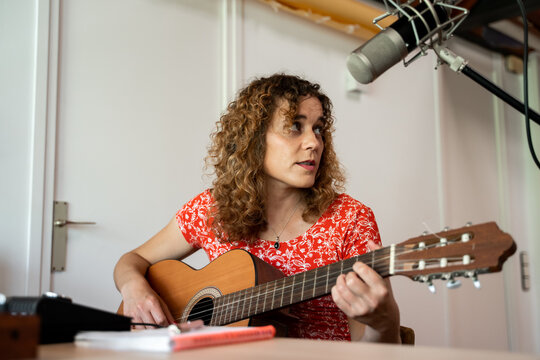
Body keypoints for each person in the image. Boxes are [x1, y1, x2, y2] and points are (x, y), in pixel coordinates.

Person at [114, 74, 401, 343]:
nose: (314, 142)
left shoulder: (349, 219)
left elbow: (373, 352)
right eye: (294, 127)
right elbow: (132, 260)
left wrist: (384, 322)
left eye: (318, 129)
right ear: (254, 140)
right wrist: (134, 289)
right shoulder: (212, 210)